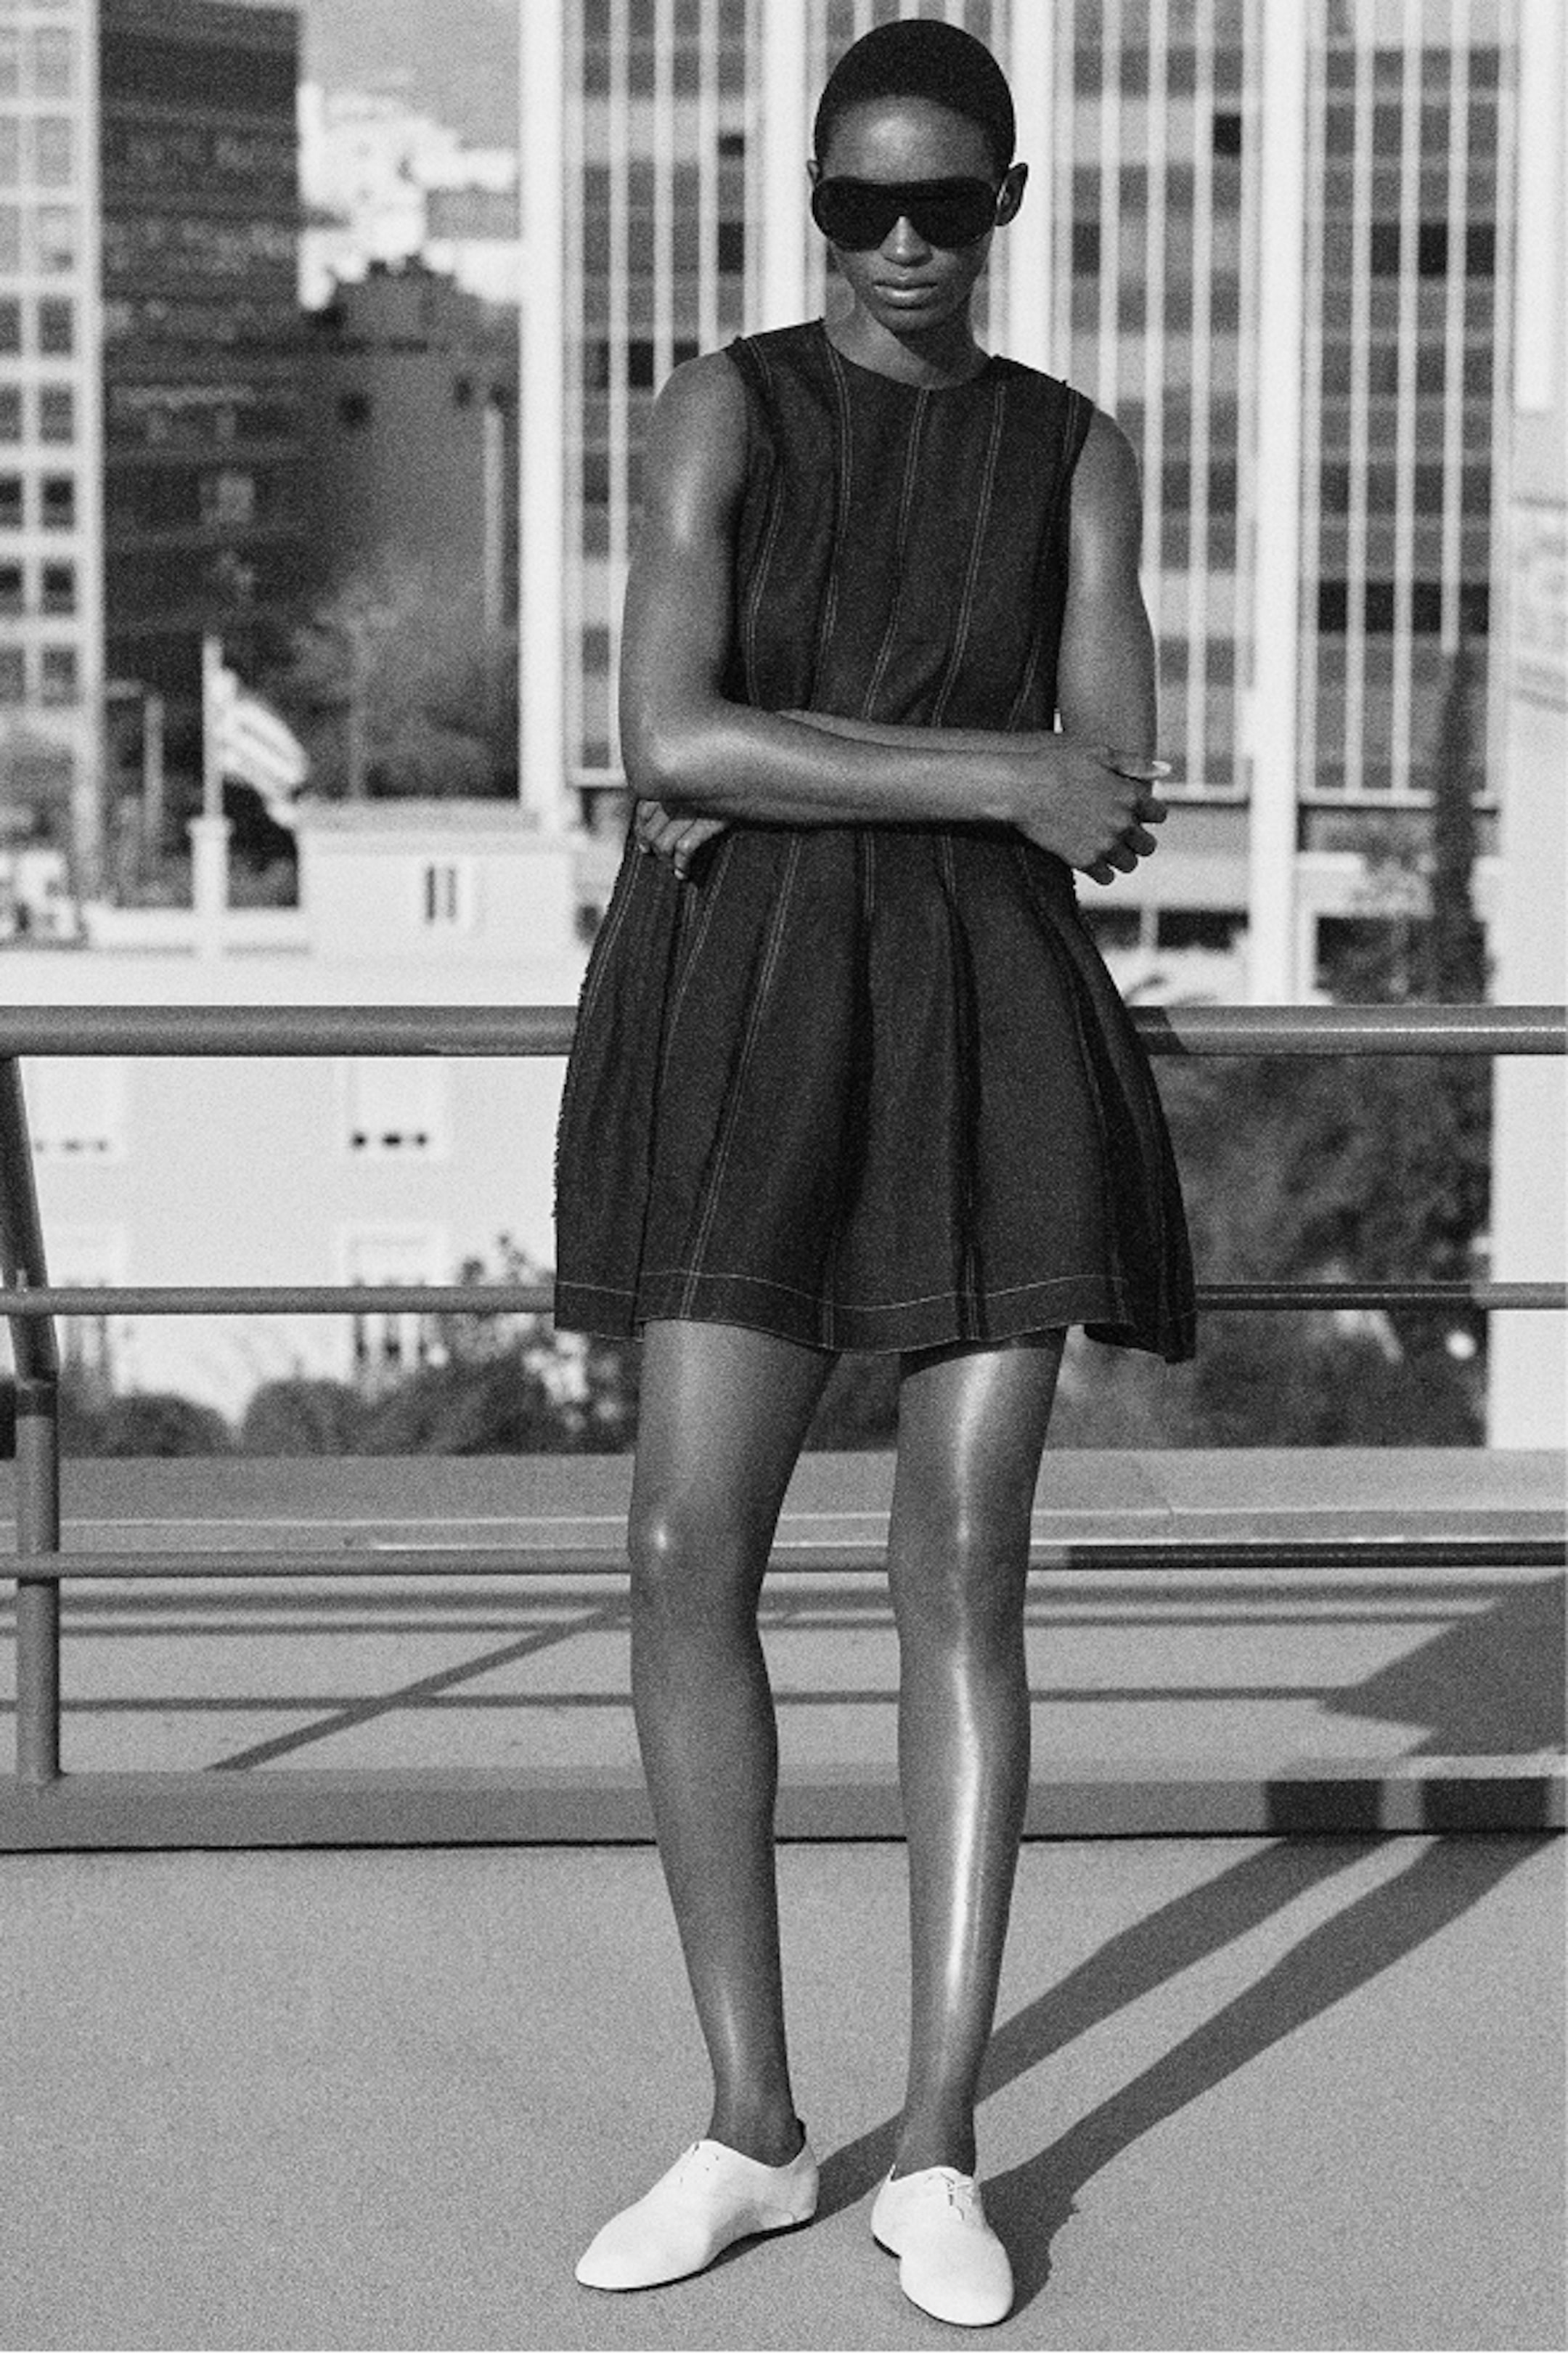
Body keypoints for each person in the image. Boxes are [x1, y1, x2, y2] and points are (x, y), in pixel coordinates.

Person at [552, 17, 1194, 2330]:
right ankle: (749, 2118)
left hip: (996, 1029)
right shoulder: (722, 405)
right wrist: (978, 771)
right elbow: (664, 730)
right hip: (740, 1023)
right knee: (677, 1542)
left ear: (1011, 203)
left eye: (946, 202)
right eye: (858, 203)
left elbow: (1106, 793)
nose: (902, 244)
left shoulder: (1073, 452)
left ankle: (937, 2146)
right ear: (808, 200)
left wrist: (811, 767)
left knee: (962, 1565)